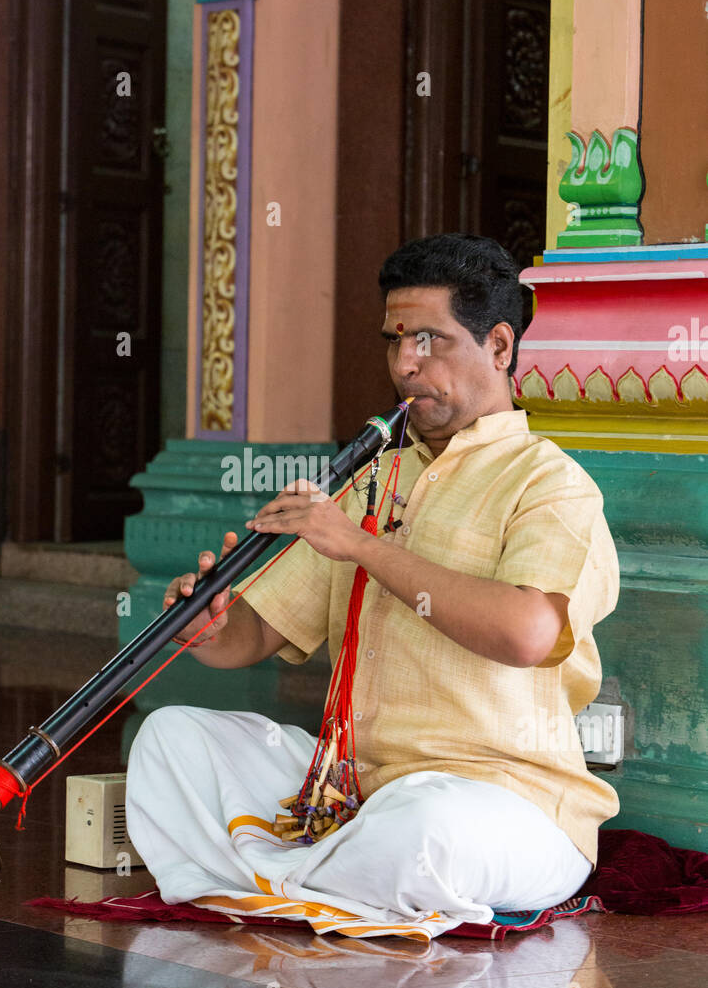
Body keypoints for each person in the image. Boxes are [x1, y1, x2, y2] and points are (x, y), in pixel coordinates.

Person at [125, 234, 621, 941]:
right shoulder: (373, 479)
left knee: (427, 831)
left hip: (505, 800)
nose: (406, 366)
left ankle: (273, 879)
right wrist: (206, 624)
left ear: (501, 347)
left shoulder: (549, 485)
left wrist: (360, 545)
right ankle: (324, 885)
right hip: (351, 791)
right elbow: (254, 636)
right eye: (396, 341)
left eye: (430, 341)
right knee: (169, 741)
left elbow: (527, 632)